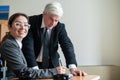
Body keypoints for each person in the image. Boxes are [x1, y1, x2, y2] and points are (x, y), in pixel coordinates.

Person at [22, 1, 87, 76]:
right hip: (32, 63)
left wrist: (72, 68)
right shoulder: (31, 22)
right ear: (44, 14)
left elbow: (67, 45)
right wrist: (35, 70)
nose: (53, 23)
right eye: (51, 19)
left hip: (52, 64)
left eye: (56, 20)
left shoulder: (60, 27)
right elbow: (27, 46)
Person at [0, 13, 66, 79]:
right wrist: (54, 71)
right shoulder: (9, 45)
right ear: (9, 27)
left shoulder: (17, 44)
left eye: (26, 25)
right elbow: (24, 72)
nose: (23, 27)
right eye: (18, 24)